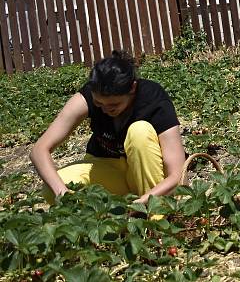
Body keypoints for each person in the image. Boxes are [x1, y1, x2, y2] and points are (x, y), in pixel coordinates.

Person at [31, 51, 185, 204]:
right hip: (107, 169)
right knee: (51, 190)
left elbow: (177, 174)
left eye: (114, 105)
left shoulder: (153, 98)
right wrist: (63, 193)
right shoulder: (87, 97)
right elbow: (39, 150)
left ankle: (155, 217)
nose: (105, 110)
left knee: (140, 131)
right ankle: (116, 210)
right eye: (99, 104)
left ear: (132, 88)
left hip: (146, 171)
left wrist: (143, 202)